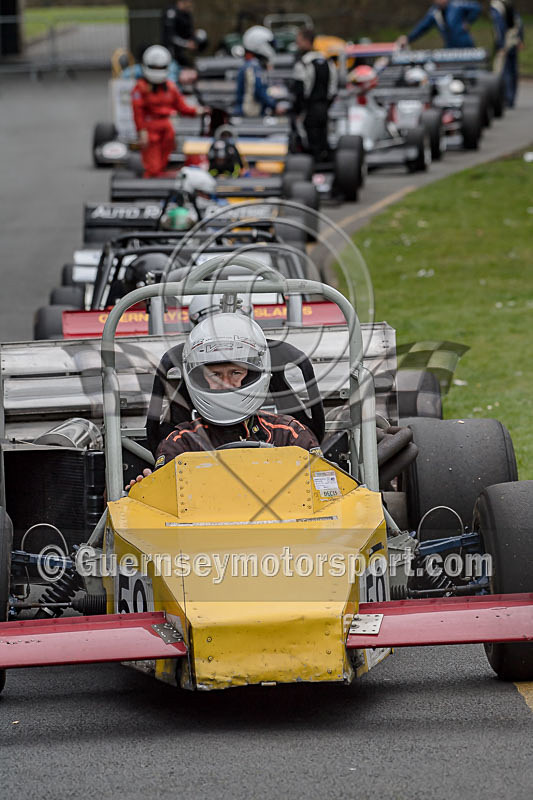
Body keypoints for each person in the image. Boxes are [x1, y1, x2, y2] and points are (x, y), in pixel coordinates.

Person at [127, 313, 319, 487]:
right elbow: (162, 504)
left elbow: (325, 490)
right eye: (215, 375)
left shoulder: (289, 434)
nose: (225, 383)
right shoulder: (181, 443)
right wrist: (147, 490)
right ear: (201, 378)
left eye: (235, 373)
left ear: (253, 374)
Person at [131, 45, 206, 178]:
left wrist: (198, 111)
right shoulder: (140, 88)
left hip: (167, 130)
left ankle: (161, 181)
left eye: (160, 68)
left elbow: (182, 107)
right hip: (150, 129)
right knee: (153, 167)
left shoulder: (171, 87)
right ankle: (148, 183)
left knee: (163, 164)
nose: (157, 71)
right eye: (154, 68)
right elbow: (138, 112)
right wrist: (141, 130)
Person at [292, 26, 337, 163]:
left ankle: (314, 165)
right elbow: (333, 89)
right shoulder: (327, 61)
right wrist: (327, 104)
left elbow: (300, 89)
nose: (297, 44)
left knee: (310, 141)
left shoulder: (303, 62)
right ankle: (326, 162)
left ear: (307, 41)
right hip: (324, 107)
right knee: (323, 138)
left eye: (299, 41)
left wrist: (298, 110)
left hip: (310, 109)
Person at [396, 0, 481, 50]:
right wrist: (408, 38)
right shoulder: (434, 12)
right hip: (450, 46)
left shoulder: (456, 5)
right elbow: (422, 27)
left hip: (465, 44)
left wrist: (468, 22)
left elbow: (476, 7)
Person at [234, 26, 279, 117]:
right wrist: (274, 105)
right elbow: (259, 91)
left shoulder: (250, 65)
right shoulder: (253, 66)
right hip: (249, 115)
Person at [490, 0, 524, 107]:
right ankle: (511, 98)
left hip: (505, 42)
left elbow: (499, 26)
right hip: (514, 40)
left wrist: (500, 45)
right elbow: (519, 21)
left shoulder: (496, 5)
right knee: (513, 70)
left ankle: (506, 99)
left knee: (504, 71)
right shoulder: (508, 3)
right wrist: (520, 38)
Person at [162, 0, 204, 67]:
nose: (190, 4)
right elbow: (170, 36)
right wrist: (186, 44)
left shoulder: (187, 14)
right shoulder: (171, 12)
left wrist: (194, 40)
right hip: (171, 51)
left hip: (182, 51)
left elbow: (189, 30)